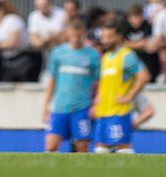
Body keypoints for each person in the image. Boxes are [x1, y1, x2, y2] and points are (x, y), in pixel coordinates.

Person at [92, 18, 151, 154]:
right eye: (103, 37)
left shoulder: (127, 55)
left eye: (109, 37)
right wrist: (97, 101)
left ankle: (132, 175)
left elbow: (144, 76)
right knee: (100, 150)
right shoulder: (106, 57)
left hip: (119, 112)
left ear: (119, 36)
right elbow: (103, 82)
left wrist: (129, 96)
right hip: (103, 111)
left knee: (122, 150)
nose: (105, 40)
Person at [42, 20, 99, 153]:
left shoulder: (92, 55)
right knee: (51, 146)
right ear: (67, 34)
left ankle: (81, 173)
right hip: (60, 107)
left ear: (84, 35)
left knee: (82, 147)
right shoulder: (58, 53)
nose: (75, 39)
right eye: (72, 35)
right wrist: (46, 104)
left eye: (78, 36)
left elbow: (98, 81)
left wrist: (97, 102)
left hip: (82, 107)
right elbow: (53, 80)